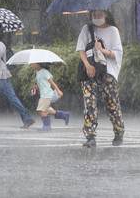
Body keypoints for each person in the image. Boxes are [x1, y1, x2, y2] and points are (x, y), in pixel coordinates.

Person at [76, 10, 124, 148]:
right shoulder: (87, 29)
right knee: (89, 103)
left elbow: (118, 54)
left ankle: (119, 131)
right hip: (90, 72)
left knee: (111, 103)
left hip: (107, 72)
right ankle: (90, 136)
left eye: (99, 15)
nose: (96, 17)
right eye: (94, 15)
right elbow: (81, 49)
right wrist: (87, 65)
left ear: (106, 14)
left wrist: (103, 50)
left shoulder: (113, 31)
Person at [31, 62, 69, 131]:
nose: (32, 64)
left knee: (41, 110)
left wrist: (58, 90)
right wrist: (37, 87)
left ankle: (47, 127)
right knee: (47, 110)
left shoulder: (44, 72)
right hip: (44, 94)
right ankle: (64, 115)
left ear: (39, 64)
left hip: (46, 94)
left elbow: (52, 82)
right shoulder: (37, 73)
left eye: (33, 63)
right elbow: (43, 84)